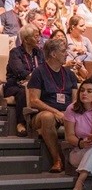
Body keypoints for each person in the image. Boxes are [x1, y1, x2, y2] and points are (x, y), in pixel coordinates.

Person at [28, 38, 79, 173]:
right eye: (63, 51)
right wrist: (56, 111)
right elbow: (34, 101)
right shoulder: (39, 72)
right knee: (48, 117)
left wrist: (68, 113)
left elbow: (75, 101)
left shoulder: (70, 74)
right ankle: (57, 160)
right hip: (43, 113)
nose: (67, 54)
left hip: (67, 113)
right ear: (53, 54)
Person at [6, 24, 44, 137]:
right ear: (26, 39)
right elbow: (20, 72)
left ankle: (41, 124)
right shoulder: (15, 52)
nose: (39, 39)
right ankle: (20, 123)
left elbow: (44, 69)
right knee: (23, 91)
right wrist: (35, 77)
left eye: (39, 36)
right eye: (36, 36)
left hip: (34, 84)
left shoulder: (39, 52)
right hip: (15, 85)